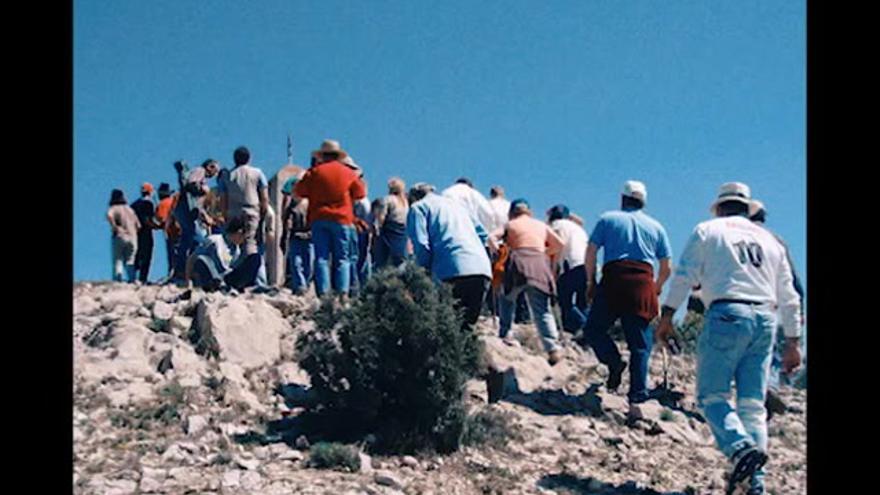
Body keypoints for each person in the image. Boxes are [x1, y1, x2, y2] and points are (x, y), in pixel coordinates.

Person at [656, 182, 802, 495]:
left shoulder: (709, 230)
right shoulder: (770, 240)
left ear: (720, 207)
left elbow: (685, 275)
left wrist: (667, 315)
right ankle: (755, 484)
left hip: (726, 313)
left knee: (712, 397)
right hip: (766, 319)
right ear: (746, 208)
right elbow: (789, 295)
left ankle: (740, 449)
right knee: (752, 406)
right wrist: (793, 341)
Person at [579, 180, 672, 404]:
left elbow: (590, 252)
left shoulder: (607, 219)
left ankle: (613, 362)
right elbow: (667, 267)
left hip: (613, 279)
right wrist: (656, 288)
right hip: (642, 282)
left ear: (623, 199)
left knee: (593, 329)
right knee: (640, 345)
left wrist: (590, 281)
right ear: (643, 202)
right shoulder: (656, 227)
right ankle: (637, 399)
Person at [407, 183, 492, 332]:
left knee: (446, 328)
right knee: (467, 328)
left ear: (413, 198)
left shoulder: (418, 208)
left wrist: (423, 272)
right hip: (481, 268)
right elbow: (484, 235)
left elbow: (421, 244)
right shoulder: (459, 207)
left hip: (450, 269)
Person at [749, 200, 806, 418]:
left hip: (739, 301)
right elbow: (794, 280)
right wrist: (798, 308)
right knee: (769, 350)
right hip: (772, 303)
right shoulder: (777, 241)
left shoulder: (731, 236)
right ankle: (769, 389)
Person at [489, 199, 564, 365]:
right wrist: (545, 251)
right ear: (529, 211)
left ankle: (505, 334)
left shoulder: (510, 224)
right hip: (539, 263)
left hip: (518, 261)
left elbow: (492, 237)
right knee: (542, 309)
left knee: (507, 298)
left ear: (512, 212)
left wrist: (498, 250)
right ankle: (553, 347)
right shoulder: (540, 225)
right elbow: (560, 244)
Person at [293, 139, 367, 298]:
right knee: (342, 258)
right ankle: (343, 293)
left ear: (322, 156)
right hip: (342, 219)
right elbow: (360, 193)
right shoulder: (348, 173)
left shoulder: (314, 172)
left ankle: (324, 294)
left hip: (318, 218)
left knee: (321, 258)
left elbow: (299, 191)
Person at [172, 159, 220, 281]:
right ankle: (187, 270)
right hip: (186, 209)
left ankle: (183, 269)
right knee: (198, 240)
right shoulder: (200, 171)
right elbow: (192, 184)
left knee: (187, 240)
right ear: (210, 166)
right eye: (215, 169)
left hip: (186, 210)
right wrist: (203, 189)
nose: (215, 174)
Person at [186, 216, 262, 292]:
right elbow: (192, 258)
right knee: (203, 259)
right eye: (243, 237)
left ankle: (234, 286)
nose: (243, 240)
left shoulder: (236, 249)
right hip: (211, 276)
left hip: (226, 278)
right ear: (239, 233)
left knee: (255, 258)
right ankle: (218, 285)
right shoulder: (214, 240)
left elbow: (230, 266)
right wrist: (188, 281)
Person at [547, 204, 590, 333]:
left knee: (564, 300)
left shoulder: (556, 226)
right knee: (582, 302)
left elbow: (558, 246)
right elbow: (581, 220)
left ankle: (586, 327)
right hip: (588, 265)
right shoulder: (577, 228)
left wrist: (553, 272)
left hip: (572, 265)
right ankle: (582, 334)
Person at [219, 146, 269, 256]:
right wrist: (263, 213)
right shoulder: (257, 173)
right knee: (250, 243)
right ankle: (254, 270)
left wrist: (225, 215)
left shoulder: (226, 176)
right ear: (249, 158)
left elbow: (223, 199)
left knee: (232, 246)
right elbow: (264, 197)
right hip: (251, 212)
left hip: (233, 213)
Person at [281, 173, 314, 294]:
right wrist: (284, 236)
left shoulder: (309, 205)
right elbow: (286, 222)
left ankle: (306, 283)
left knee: (308, 263)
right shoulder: (291, 207)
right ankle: (300, 285)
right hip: (295, 237)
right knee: (295, 263)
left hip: (309, 238)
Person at [374, 177, 410, 268]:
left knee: (382, 259)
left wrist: (378, 229)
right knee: (400, 258)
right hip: (403, 230)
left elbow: (382, 216)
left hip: (389, 229)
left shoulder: (387, 199)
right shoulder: (405, 202)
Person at [106, 189, 140, 283]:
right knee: (130, 260)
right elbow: (138, 225)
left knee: (118, 260)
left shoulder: (114, 208)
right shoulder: (130, 210)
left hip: (120, 236)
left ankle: (118, 280)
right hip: (132, 237)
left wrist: (115, 227)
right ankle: (132, 279)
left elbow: (109, 215)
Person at [130, 183, 159, 283]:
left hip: (135, 232)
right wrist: (156, 226)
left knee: (136, 255)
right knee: (146, 255)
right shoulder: (148, 204)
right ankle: (143, 278)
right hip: (146, 231)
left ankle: (133, 277)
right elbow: (148, 219)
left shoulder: (133, 204)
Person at [154, 183, 180, 278]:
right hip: (182, 230)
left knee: (173, 254)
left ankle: (174, 274)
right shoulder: (174, 201)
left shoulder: (162, 204)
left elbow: (161, 219)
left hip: (171, 232)